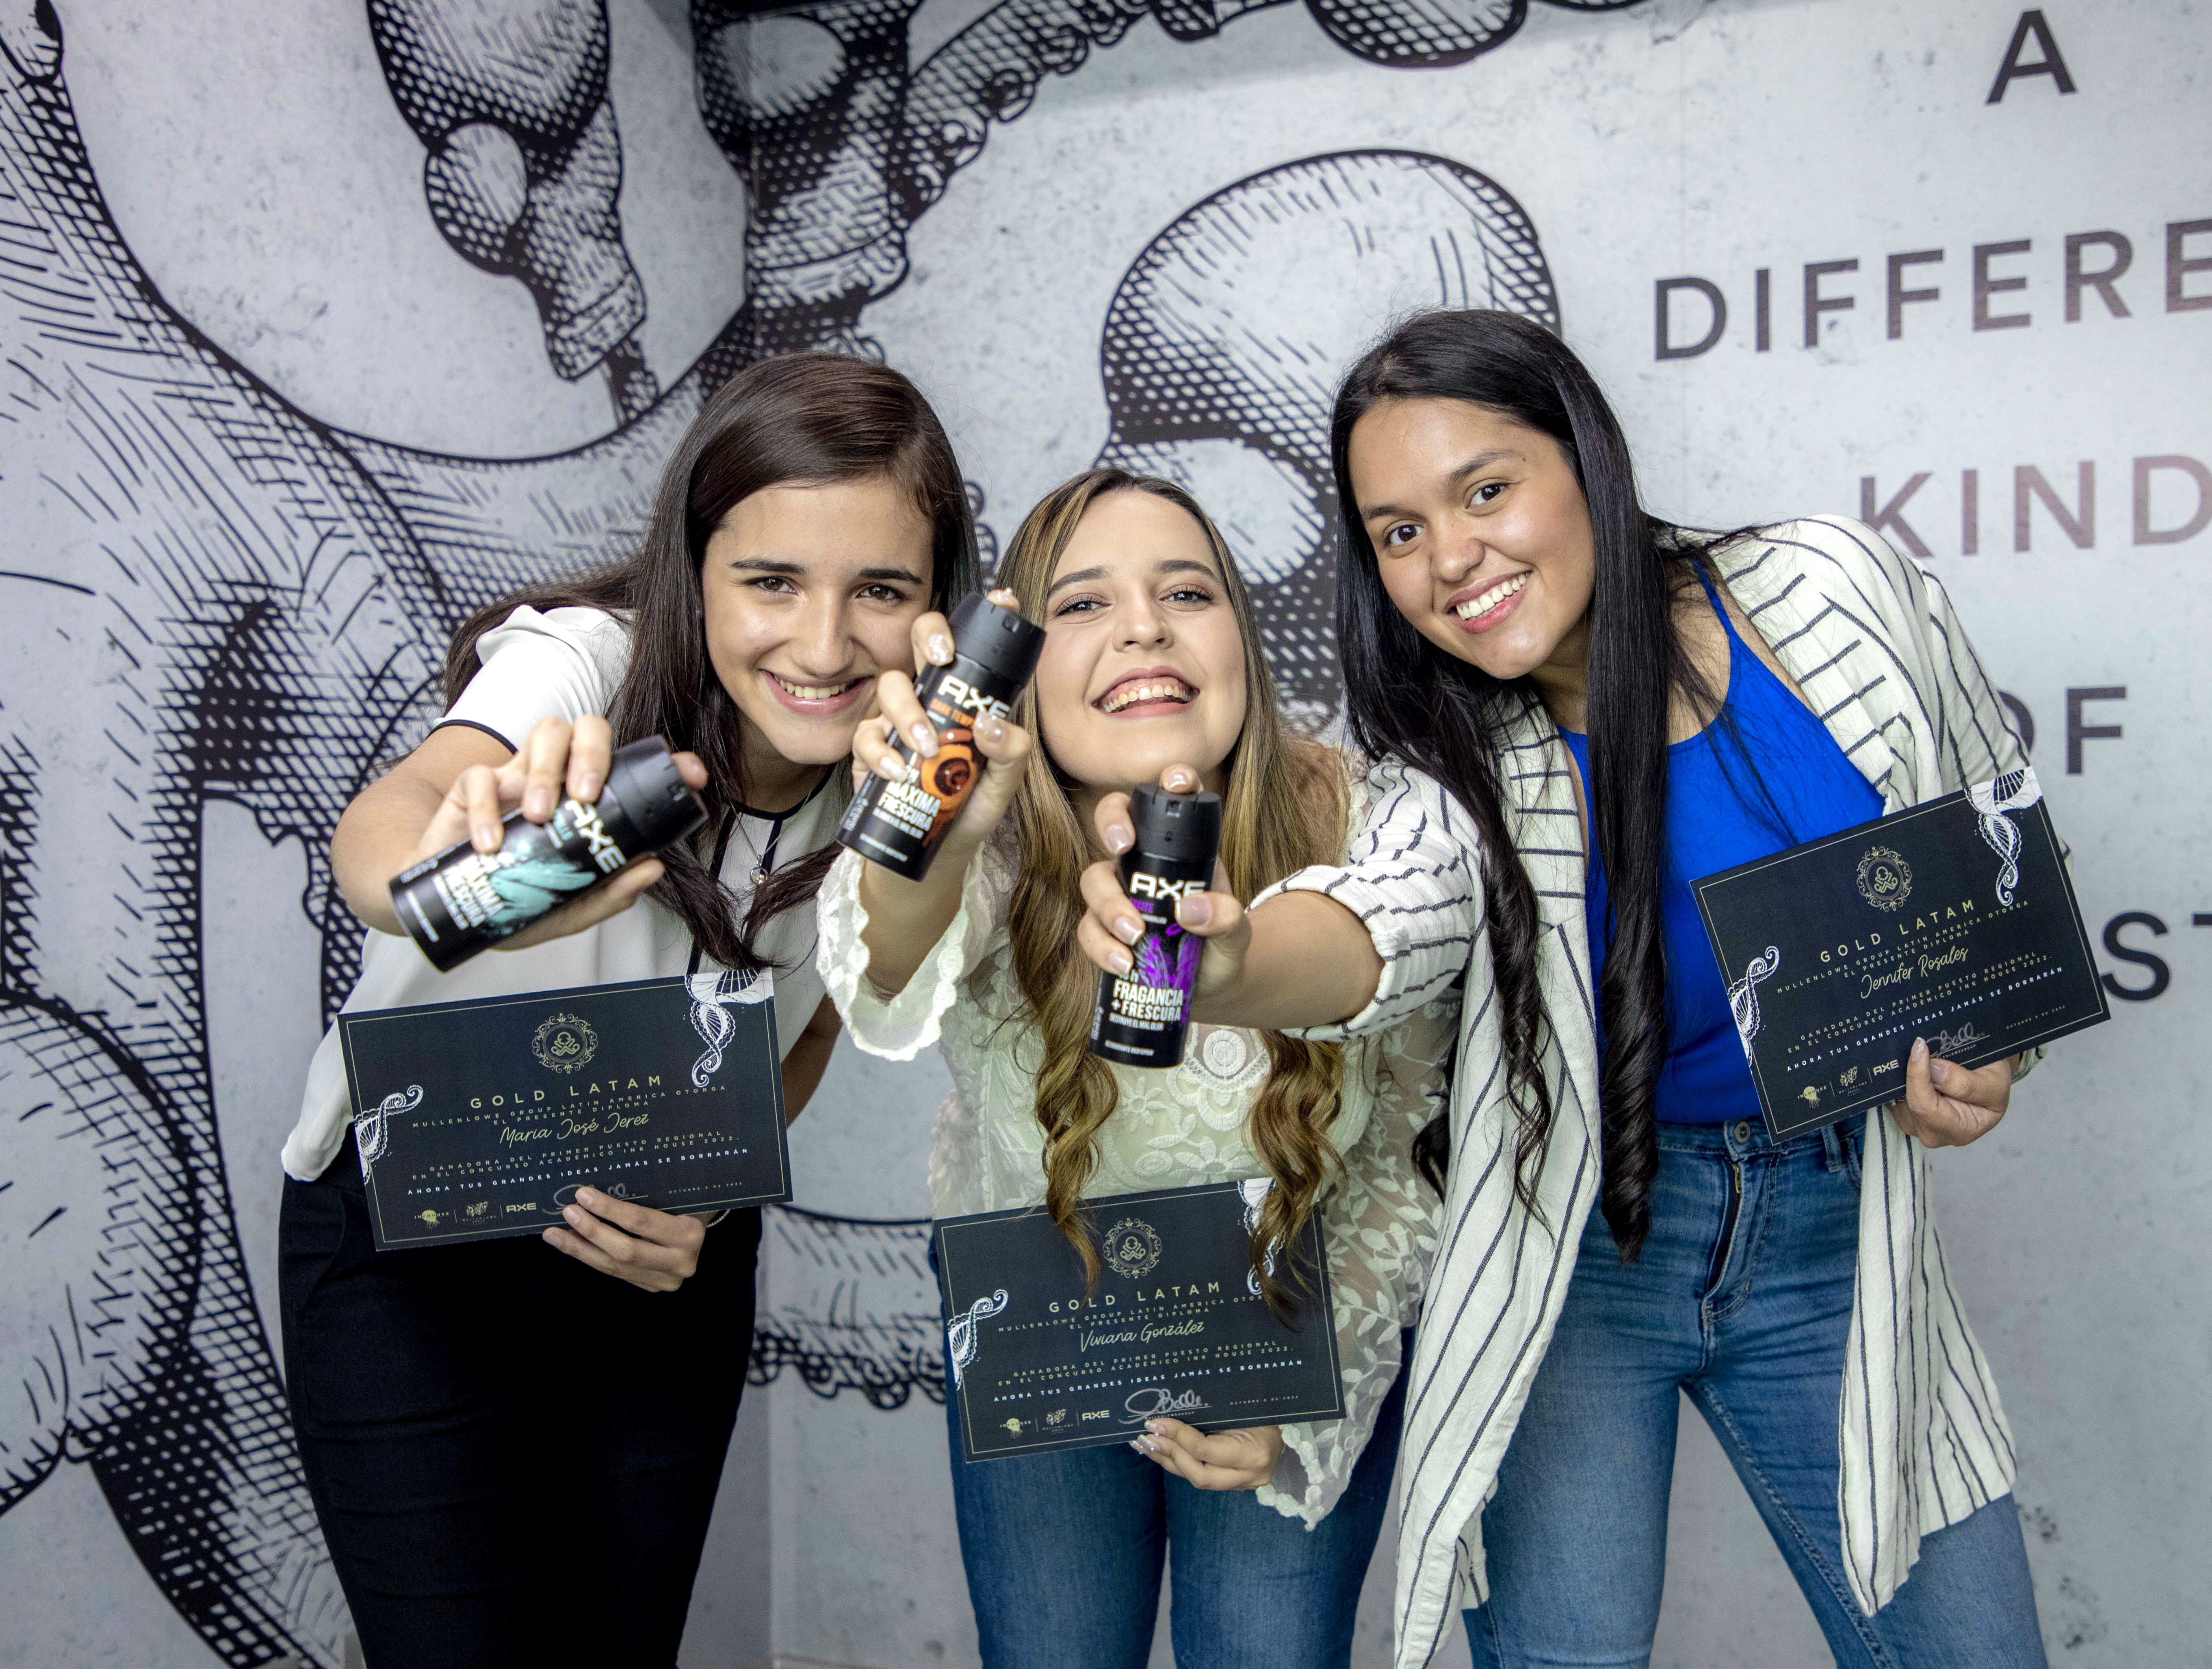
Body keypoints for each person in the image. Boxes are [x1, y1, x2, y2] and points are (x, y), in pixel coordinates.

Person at [1075, 310, 2054, 1669]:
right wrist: (1227, 963)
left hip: (1837, 1216)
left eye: (1486, 489)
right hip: (1577, 1250)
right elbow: (1374, 931)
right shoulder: (1442, 756)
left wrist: (1988, 1050)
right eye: (1397, 531)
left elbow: (1985, 869)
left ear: (1584, 457)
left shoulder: (1836, 588)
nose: (1450, 558)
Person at [277, 353, 978, 1668]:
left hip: (657, 1256)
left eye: (878, 590)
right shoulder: (583, 665)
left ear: (936, 607)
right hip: (412, 1241)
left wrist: (711, 1198)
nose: (822, 646)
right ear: (692, 567)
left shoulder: (913, 770)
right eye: (769, 580)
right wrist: (482, 887)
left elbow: (818, 1020)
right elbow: (377, 835)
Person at [814, 468, 1450, 1669]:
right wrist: (940, 815)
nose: (1144, 625)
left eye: (1185, 591)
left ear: (1245, 641)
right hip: (1042, 1326)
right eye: (1085, 604)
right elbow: (881, 975)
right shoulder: (989, 829)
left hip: (1274, 1345)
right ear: (1023, 670)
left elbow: (1409, 1148)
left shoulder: (1380, 819)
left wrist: (1313, 1404)